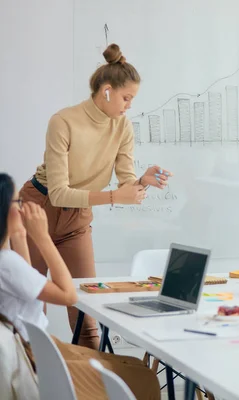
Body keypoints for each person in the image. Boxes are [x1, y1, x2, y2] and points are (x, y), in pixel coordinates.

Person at [19, 44, 172, 349]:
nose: (129, 105)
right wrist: (116, 196)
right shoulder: (62, 122)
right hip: (39, 208)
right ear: (106, 91)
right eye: (126, 98)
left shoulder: (123, 126)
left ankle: (94, 390)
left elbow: (126, 176)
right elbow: (61, 192)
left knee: (85, 307)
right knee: (31, 304)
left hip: (77, 217)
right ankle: (29, 386)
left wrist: (141, 182)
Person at [0, 172, 160, 399]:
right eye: (18, 202)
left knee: (134, 366)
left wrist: (19, 232)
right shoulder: (6, 263)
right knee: (143, 377)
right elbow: (69, 295)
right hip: (34, 359)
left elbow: (25, 277)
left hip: (34, 350)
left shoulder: (7, 260)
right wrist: (42, 237)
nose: (25, 206)